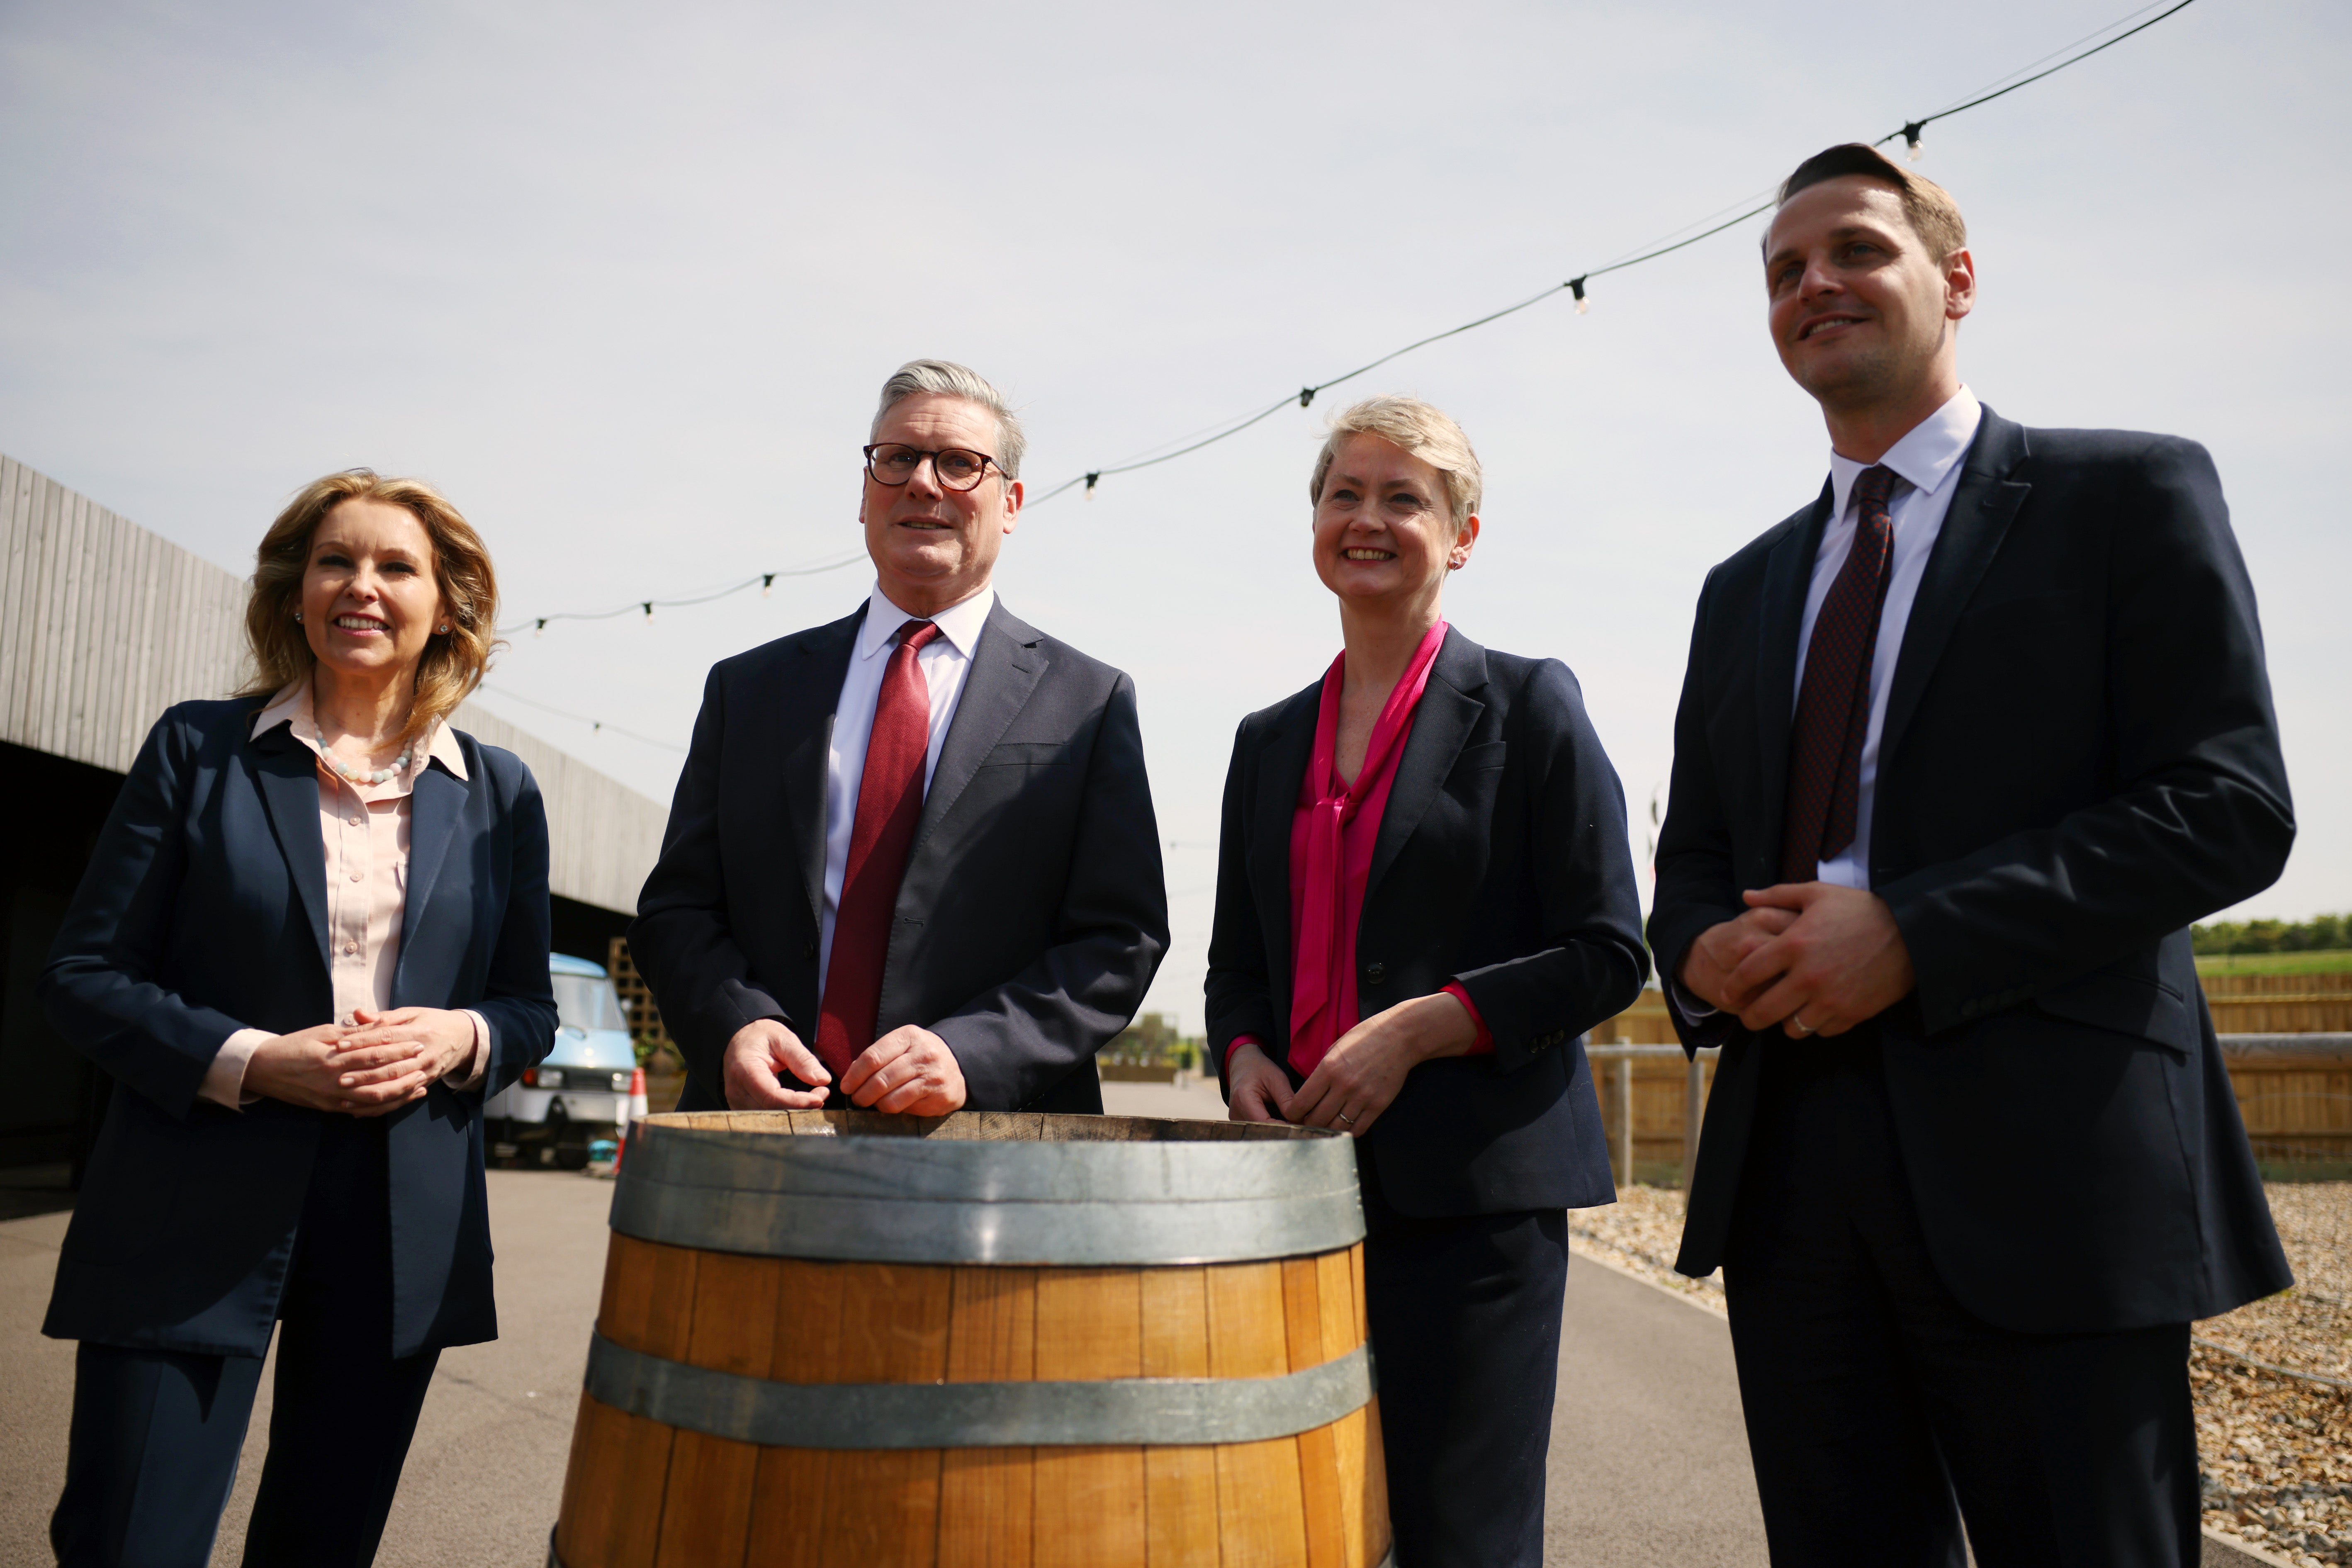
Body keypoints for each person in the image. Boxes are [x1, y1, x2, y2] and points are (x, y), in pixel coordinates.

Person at [1650, 143, 2294, 1566]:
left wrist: (1914, 933)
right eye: (1781, 271)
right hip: (1792, 1182)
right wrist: (1698, 950)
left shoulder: (2123, 495)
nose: (1812, 281)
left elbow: (2229, 802)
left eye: (1855, 251)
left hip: (2049, 1167)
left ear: (1955, 280)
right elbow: (1689, 862)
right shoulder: (1742, 587)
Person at [40, 470, 558, 1567]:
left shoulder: (502, 791)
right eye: (336, 560)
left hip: (400, 1220)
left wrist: (457, 1036)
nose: (360, 586)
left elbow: (527, 1006)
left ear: (448, 604)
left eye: (395, 565)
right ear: (294, 591)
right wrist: (258, 1059)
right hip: (188, 1193)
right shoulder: (197, 749)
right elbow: (84, 972)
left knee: (322, 1546)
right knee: (128, 1540)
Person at [1206, 396, 1647, 1568]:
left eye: (1405, 496)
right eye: (1344, 493)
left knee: (1463, 1538)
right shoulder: (1263, 739)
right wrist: (1243, 1054)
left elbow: (1609, 946)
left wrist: (1424, 1026)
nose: (1368, 517)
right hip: (1293, 1188)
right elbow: (1234, 966)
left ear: (1463, 535)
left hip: (1470, 1200)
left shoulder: (1530, 702)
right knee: (1293, 1525)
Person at [631, 359, 1167, 1116]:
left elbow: (1120, 940)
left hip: (990, 1156)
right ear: (864, 494)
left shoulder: (1088, 701)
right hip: (764, 1139)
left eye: (959, 463)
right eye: (899, 459)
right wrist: (736, 1027)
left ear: (1011, 503)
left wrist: (974, 1052)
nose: (923, 482)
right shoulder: (748, 691)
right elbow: (678, 911)